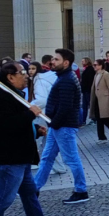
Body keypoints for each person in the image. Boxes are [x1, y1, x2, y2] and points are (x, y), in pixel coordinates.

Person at [0, 62, 63, 216]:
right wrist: (29, 114)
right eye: (21, 73)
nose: (26, 76)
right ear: (10, 77)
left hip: (19, 156)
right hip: (9, 158)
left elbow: (15, 126)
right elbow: (6, 126)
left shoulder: (13, 95)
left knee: (29, 192)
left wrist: (35, 130)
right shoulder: (2, 97)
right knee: (2, 199)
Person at [33, 49, 89, 204]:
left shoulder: (66, 80)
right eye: (53, 59)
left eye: (56, 59)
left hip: (63, 126)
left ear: (66, 62)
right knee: (47, 157)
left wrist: (54, 123)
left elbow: (65, 106)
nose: (53, 62)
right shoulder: (64, 77)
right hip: (58, 125)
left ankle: (81, 190)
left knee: (71, 159)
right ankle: (34, 188)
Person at [90, 59, 109, 143]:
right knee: (98, 118)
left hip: (104, 100)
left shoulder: (106, 74)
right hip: (97, 99)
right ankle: (102, 137)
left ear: (101, 65)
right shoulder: (96, 75)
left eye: (95, 65)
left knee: (104, 118)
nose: (94, 66)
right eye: (93, 65)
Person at [79, 57, 95, 125]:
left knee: (90, 105)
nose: (82, 62)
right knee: (84, 106)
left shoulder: (90, 69)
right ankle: (83, 120)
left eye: (83, 61)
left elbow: (90, 81)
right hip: (85, 90)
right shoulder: (85, 69)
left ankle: (94, 119)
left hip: (88, 90)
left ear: (87, 62)